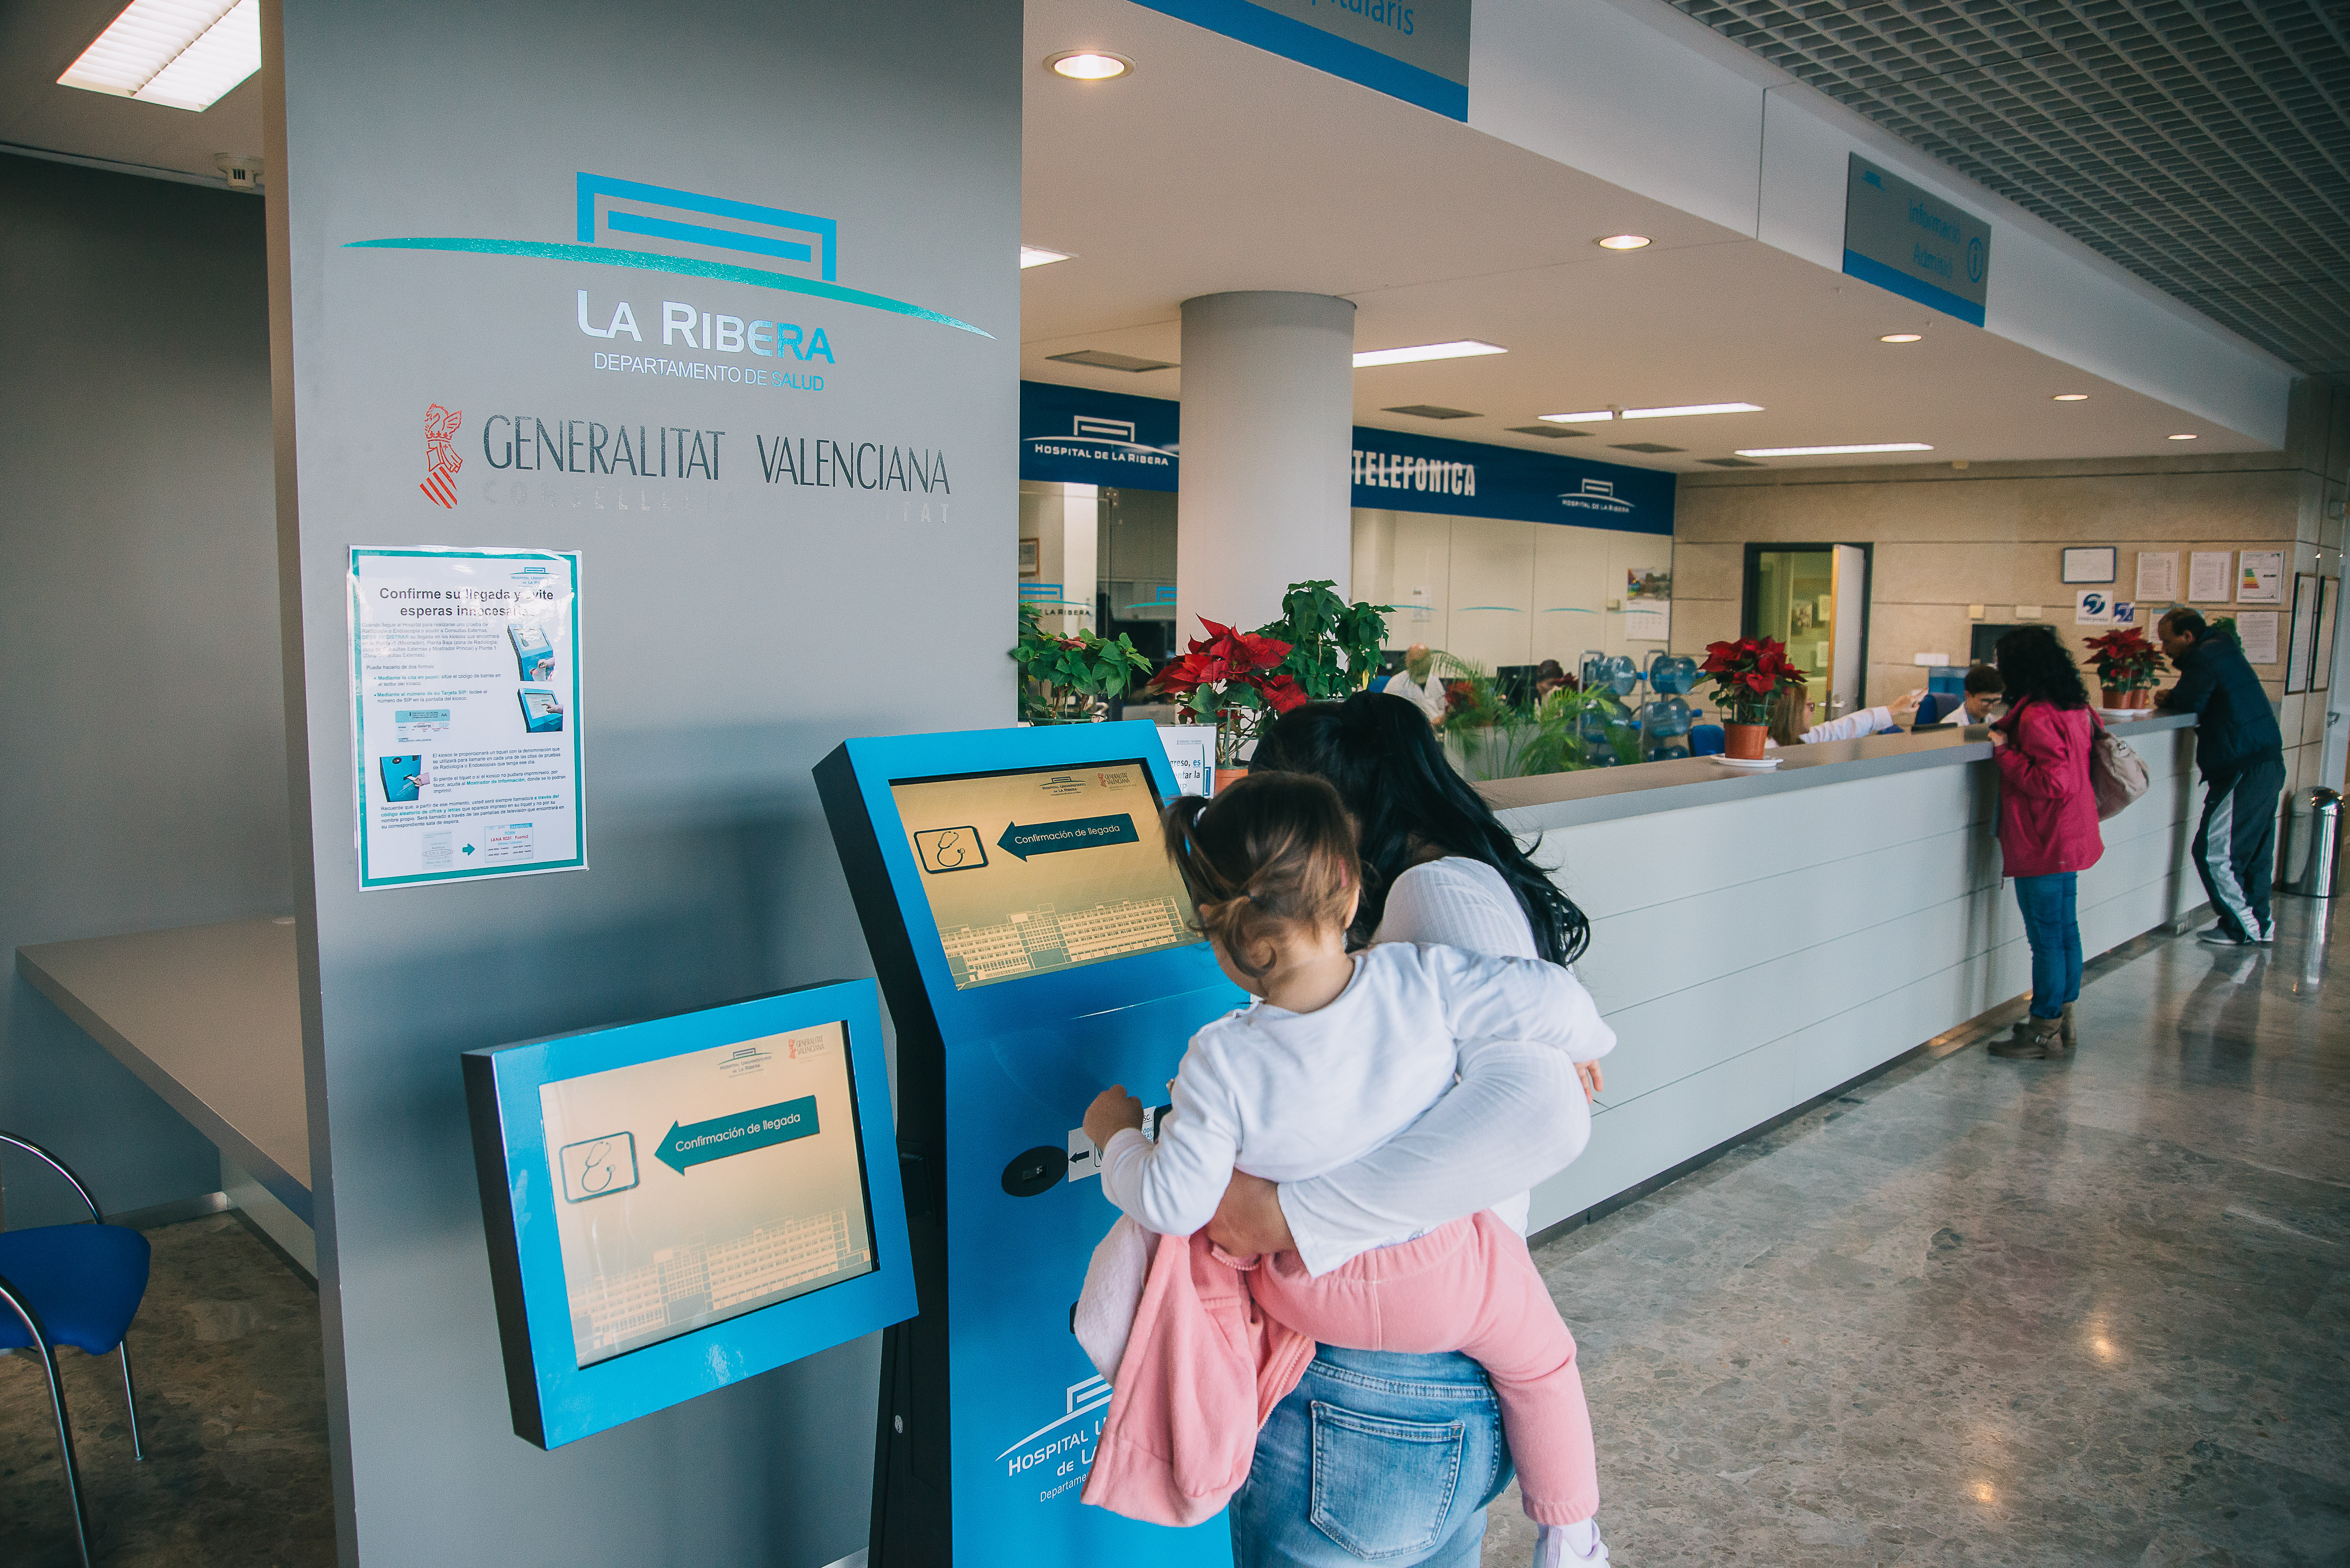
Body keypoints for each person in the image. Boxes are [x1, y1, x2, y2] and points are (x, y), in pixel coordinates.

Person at [1083, 773, 1615, 1566]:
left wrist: (1117, 1138)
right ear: (1349, 881)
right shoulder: (1421, 978)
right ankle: (1571, 1533)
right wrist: (1584, 1047)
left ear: (1219, 934)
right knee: (1542, 1357)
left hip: (1305, 1295)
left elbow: (1172, 1201)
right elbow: (1553, 999)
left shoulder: (1220, 1060)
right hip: (1445, 1282)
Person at [1984, 625, 2103, 1059]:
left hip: (2043, 838)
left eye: (2001, 660)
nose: (1997, 668)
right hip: (2068, 834)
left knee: (2047, 939)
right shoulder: (2071, 706)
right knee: (2065, 930)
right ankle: (2061, 1015)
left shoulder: (2036, 716)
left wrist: (2004, 749)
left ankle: (2043, 1026)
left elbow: (2052, 781)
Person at [2155, 607, 2286, 946]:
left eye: (2167, 641)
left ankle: (2242, 926)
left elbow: (2189, 701)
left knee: (2215, 852)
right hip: (2265, 761)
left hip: (2242, 766)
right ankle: (2260, 923)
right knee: (2255, 853)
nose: (2164, 649)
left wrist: (2168, 696)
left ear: (2187, 636)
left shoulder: (2205, 656)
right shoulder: (2224, 649)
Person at [1763, 684, 1919, 746]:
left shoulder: (1799, 739)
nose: (1813, 711)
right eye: (1809, 705)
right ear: (1793, 713)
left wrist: (1893, 710)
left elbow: (1840, 729)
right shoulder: (1769, 748)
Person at [1915, 665, 2003, 728]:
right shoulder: (1950, 725)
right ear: (1968, 695)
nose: (1990, 707)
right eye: (1985, 701)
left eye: (1995, 701)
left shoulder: (1992, 722)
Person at [1382, 643, 1449, 724]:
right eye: (1417, 662)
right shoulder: (1396, 683)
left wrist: (1443, 718)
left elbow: (1443, 707)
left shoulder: (1434, 681)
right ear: (1408, 662)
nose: (1421, 666)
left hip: (1436, 732)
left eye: (1424, 661)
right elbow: (1387, 715)